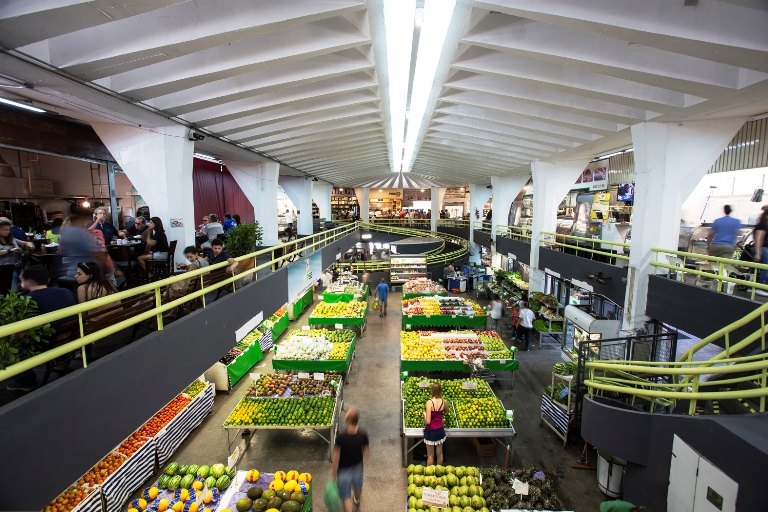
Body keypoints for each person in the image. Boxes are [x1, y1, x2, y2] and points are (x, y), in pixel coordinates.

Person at [7, 265, 77, 392]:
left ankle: (25, 381)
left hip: (45, 344)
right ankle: (62, 363)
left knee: (11, 344)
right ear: (48, 280)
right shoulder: (66, 292)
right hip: (68, 338)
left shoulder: (27, 301)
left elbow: (20, 335)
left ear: (29, 281)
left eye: (21, 279)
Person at [332, 408, 369, 512]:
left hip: (343, 469)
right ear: (357, 420)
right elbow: (366, 452)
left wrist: (334, 471)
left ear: (347, 421)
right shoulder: (363, 434)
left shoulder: (341, 437)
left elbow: (336, 455)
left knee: (346, 496)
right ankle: (357, 500)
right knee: (358, 488)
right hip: (358, 467)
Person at [163, 246, 210, 319]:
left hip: (192, 288)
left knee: (170, 284)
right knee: (171, 284)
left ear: (196, 254)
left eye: (190, 257)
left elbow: (187, 275)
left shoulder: (195, 263)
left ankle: (173, 311)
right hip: (202, 284)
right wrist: (187, 266)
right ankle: (170, 302)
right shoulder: (205, 261)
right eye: (187, 257)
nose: (189, 259)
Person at [424, 382, 446, 466]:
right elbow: (447, 409)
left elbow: (428, 421)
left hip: (431, 431)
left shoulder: (429, 403)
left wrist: (425, 415)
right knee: (439, 453)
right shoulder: (443, 402)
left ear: (431, 390)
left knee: (430, 455)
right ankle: (439, 473)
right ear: (440, 391)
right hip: (440, 430)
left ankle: (430, 476)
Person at [0, 218, 23, 295]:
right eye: (4, 230)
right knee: (7, 290)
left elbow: (23, 242)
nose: (7, 232)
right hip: (2, 268)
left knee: (14, 290)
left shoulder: (10, 239)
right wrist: (9, 251)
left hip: (13, 266)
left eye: (9, 230)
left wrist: (27, 245)